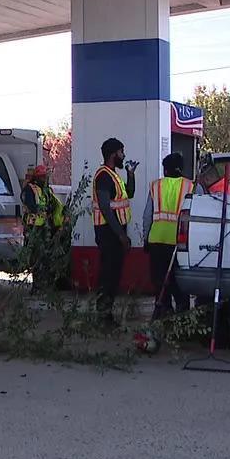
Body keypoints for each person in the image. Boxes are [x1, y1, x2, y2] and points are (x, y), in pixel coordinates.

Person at [143, 153, 194, 314]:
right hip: (180, 243)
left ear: (165, 170)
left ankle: (163, 311)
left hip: (157, 240)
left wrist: (146, 239)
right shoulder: (191, 186)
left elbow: (147, 216)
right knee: (180, 282)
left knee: (160, 281)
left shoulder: (156, 186)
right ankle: (182, 314)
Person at [92, 137, 136, 325]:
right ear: (113, 154)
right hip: (108, 231)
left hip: (115, 231)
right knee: (108, 274)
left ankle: (106, 314)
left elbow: (129, 193)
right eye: (121, 152)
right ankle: (103, 316)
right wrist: (121, 235)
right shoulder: (103, 176)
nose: (123, 156)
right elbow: (105, 208)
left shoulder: (114, 175)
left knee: (114, 273)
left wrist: (131, 174)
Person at [21, 165, 66, 292]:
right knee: (36, 257)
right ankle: (37, 286)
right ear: (37, 177)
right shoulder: (29, 189)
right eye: (42, 177)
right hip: (33, 228)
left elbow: (53, 205)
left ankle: (45, 284)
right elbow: (31, 206)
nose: (45, 179)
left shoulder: (46, 190)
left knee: (46, 256)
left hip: (45, 227)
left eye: (45, 177)